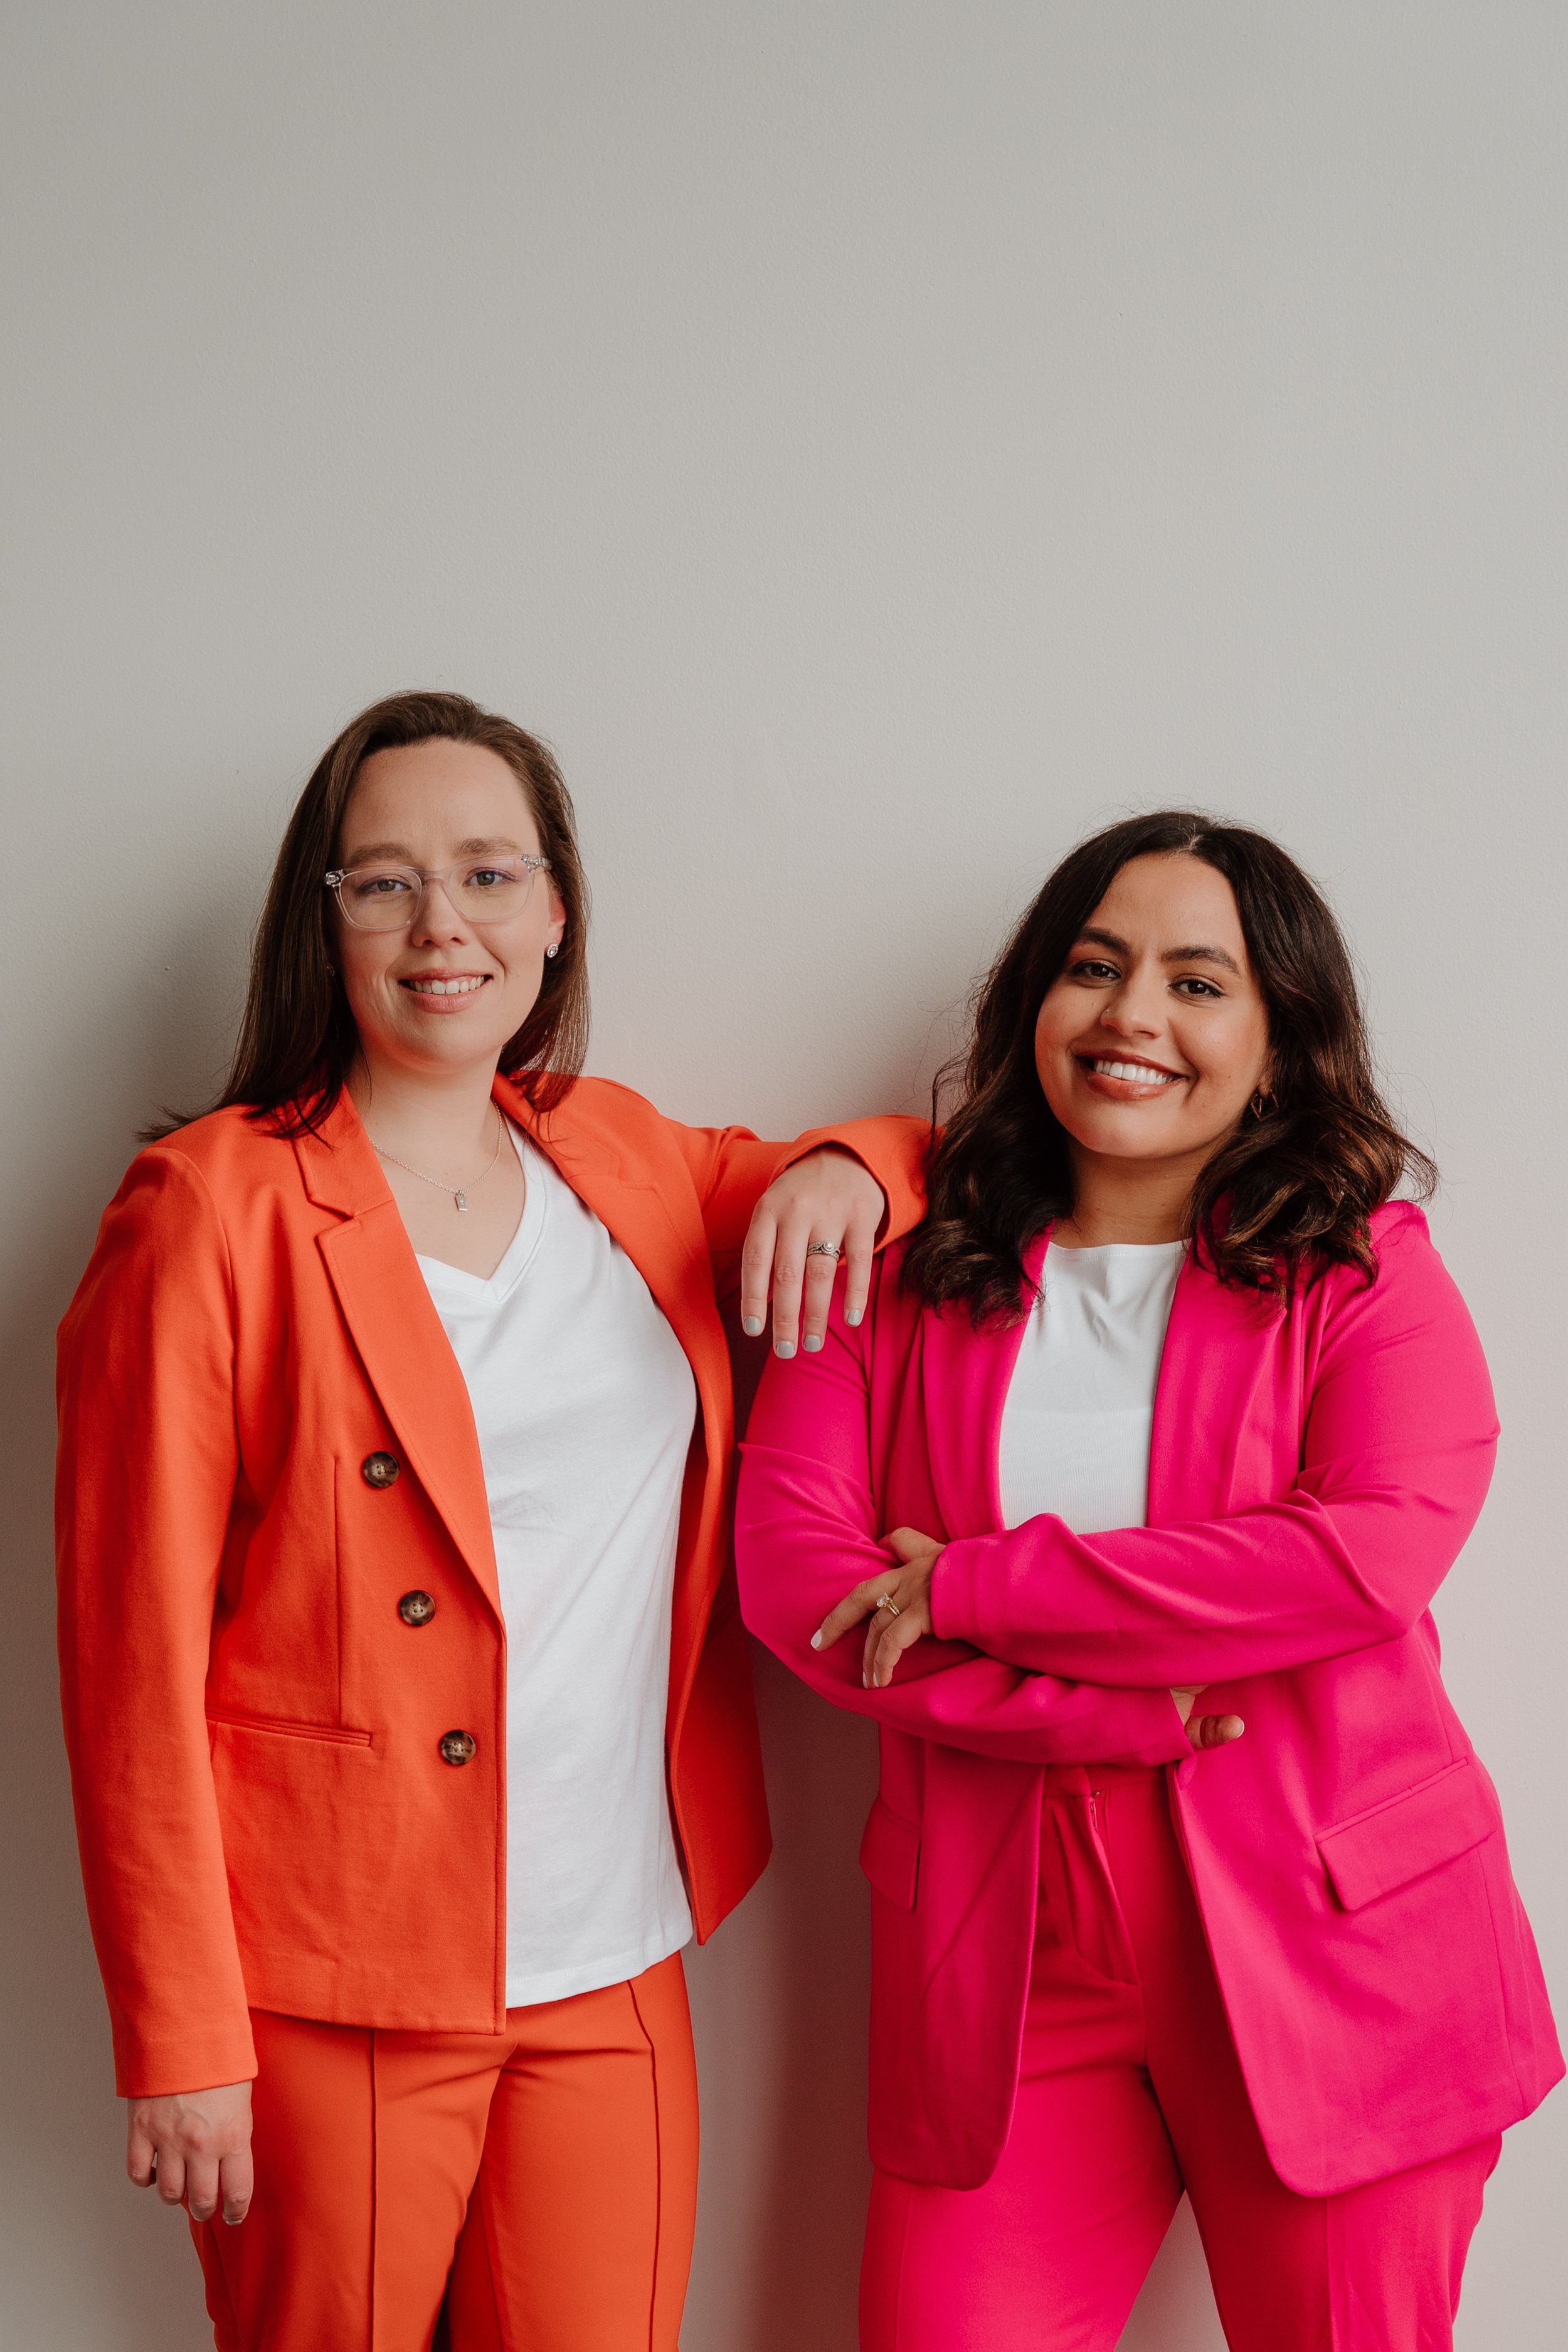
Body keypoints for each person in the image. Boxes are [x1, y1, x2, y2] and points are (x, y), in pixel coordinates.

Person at [55, 690, 928, 2352]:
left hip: (614, 1954)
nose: (438, 923)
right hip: (337, 1974)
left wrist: (852, 1172)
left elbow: (926, 1162)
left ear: (555, 908)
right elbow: (125, 1663)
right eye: (382, 881)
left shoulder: (619, 1153)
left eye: (485, 872)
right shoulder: (210, 1207)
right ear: (321, 922)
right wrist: (181, 2035)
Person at [734, 810, 1561, 2352]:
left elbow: (1360, 1557)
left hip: (1338, 1950)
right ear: (1030, 1004)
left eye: (1196, 983)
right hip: (1000, 1967)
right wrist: (1113, 1718)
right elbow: (801, 1586)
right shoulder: (888, 1273)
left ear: (1277, 1042)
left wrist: (974, 1588)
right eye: (1093, 967)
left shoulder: (1362, 1270)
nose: (1130, 1016)